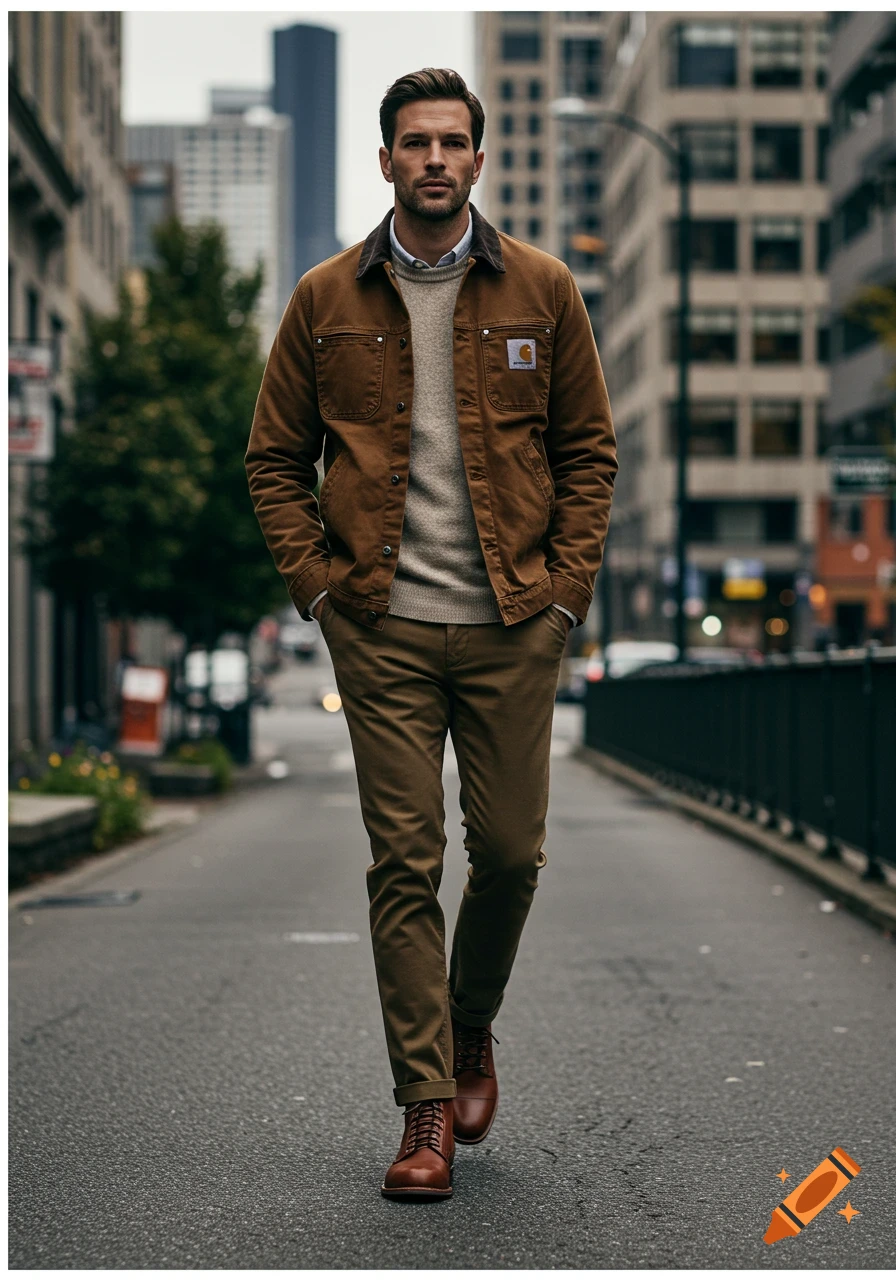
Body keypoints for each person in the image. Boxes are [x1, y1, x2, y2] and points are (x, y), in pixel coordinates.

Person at [245, 67, 616, 1199]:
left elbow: (588, 454)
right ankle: (422, 1110)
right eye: (415, 142)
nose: (435, 159)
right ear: (385, 159)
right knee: (402, 862)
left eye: (453, 140)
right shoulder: (322, 300)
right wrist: (321, 593)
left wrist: (561, 597)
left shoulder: (545, 290)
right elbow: (274, 461)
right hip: (384, 632)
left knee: (507, 854)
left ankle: (468, 1027)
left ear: (479, 158)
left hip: (512, 625)